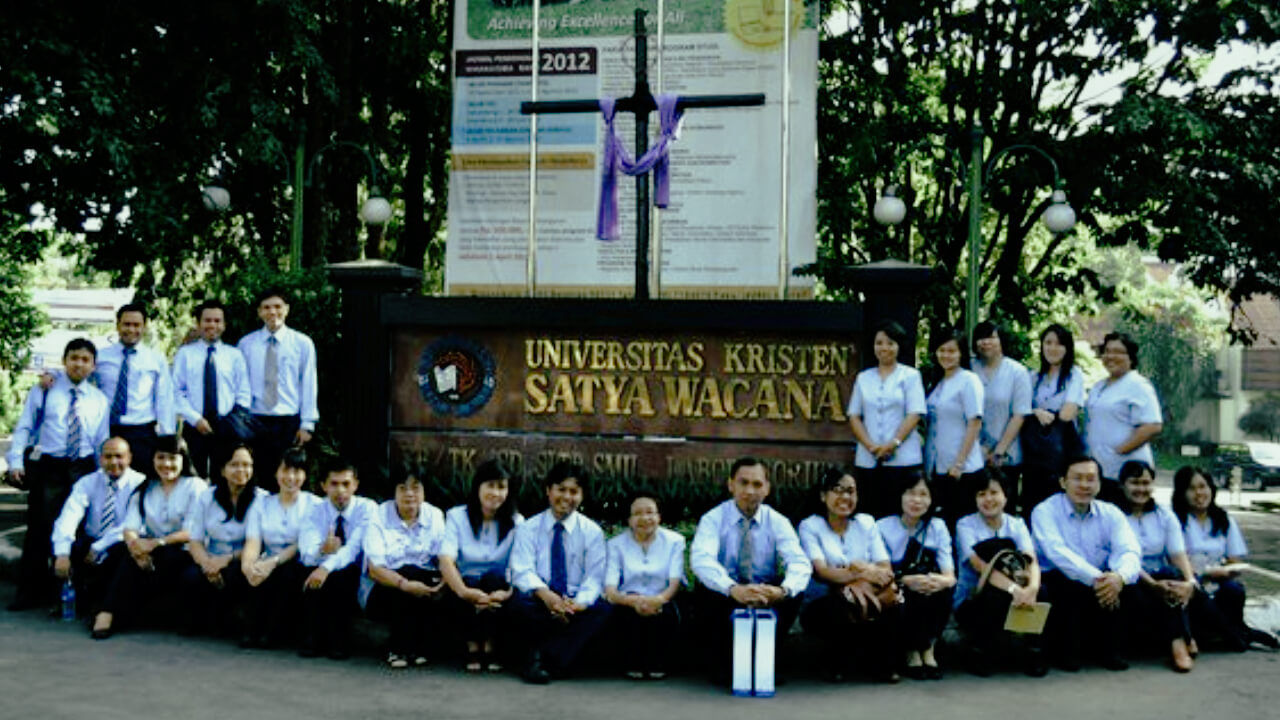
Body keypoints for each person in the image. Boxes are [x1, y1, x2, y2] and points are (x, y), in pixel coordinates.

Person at [5, 339, 109, 611]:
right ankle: (28, 591)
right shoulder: (45, 390)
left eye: (85, 360)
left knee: (76, 529)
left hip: (83, 467)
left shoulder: (98, 400)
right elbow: (25, 426)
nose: (79, 364)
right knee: (40, 528)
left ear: (93, 366)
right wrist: (16, 460)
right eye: (74, 358)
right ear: (64, 361)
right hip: (50, 466)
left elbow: (102, 440)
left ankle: (65, 591)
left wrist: (104, 474)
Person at [689, 457, 811, 684]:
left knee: (795, 592)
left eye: (757, 484)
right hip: (728, 590)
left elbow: (800, 562)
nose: (749, 491)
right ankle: (723, 663)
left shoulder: (778, 521)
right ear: (730, 485)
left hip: (766, 591)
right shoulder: (713, 519)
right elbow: (701, 560)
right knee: (706, 588)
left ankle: (767, 660)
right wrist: (733, 589)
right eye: (743, 483)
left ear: (767, 489)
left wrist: (782, 591)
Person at [1030, 454, 1141, 671]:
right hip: (1059, 578)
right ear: (1063, 482)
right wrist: (1100, 580)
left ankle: (1110, 650)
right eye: (1077, 478)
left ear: (1099, 483)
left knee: (1131, 588)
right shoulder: (1045, 511)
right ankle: (1066, 652)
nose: (1084, 485)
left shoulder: (1111, 513)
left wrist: (1119, 577)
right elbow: (1057, 553)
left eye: (1091, 479)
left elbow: (1129, 550)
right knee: (1067, 587)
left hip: (1099, 582)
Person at [508, 461, 611, 684]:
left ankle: (541, 658)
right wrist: (546, 596)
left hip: (575, 602)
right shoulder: (529, 528)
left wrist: (579, 603)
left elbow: (595, 577)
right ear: (548, 490)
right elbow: (522, 570)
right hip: (540, 598)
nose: (566, 497)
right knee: (519, 602)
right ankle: (560, 660)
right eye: (561, 489)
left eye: (573, 491)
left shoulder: (592, 532)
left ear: (582, 495)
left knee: (603, 609)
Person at [796, 467, 901, 684]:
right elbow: (823, 572)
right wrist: (863, 571)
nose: (845, 497)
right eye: (837, 490)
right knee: (840, 605)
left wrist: (861, 574)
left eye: (851, 491)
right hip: (822, 599)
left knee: (897, 599)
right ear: (823, 496)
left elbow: (885, 568)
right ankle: (836, 663)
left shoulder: (866, 523)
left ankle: (883, 665)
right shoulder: (810, 526)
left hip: (867, 594)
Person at [103, 435, 207, 638]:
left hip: (184, 550)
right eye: (160, 457)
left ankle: (107, 613)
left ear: (183, 459)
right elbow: (130, 527)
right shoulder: (146, 487)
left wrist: (155, 543)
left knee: (162, 556)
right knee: (118, 552)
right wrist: (135, 547)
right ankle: (112, 612)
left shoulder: (195, 486)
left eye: (172, 458)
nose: (166, 464)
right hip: (150, 549)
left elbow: (192, 531)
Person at [1172, 466, 1280, 651]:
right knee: (1197, 593)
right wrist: (1204, 574)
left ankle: (1233, 634)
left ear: (1211, 489)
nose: (1199, 493)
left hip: (1219, 582)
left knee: (1234, 590)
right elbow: (1176, 559)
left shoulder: (1223, 519)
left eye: (1203, 486)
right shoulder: (1175, 521)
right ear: (1182, 492)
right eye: (1192, 488)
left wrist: (1226, 571)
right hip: (1191, 583)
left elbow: (1235, 560)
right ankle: (1240, 636)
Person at [953, 471, 1046, 677]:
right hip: (974, 595)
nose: (988, 499)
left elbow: (1031, 560)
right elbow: (980, 567)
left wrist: (1032, 588)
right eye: (981, 494)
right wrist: (1015, 590)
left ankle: (1033, 652)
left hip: (1015, 591)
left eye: (994, 492)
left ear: (1006, 495)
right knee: (994, 595)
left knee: (1043, 591)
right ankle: (980, 652)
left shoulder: (1017, 524)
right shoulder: (965, 525)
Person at [50, 437, 145, 638]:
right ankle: (71, 599)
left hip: (120, 541)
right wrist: (62, 553)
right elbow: (69, 516)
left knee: (122, 553)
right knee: (63, 547)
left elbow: (131, 524)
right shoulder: (88, 482)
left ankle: (104, 609)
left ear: (129, 458)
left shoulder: (140, 483)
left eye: (119, 456)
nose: (113, 462)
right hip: (92, 538)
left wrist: (100, 547)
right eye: (108, 456)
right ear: (100, 459)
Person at [440, 459, 523, 673]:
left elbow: (519, 563)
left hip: (498, 586)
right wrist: (464, 591)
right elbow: (446, 559)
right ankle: (472, 646)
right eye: (490, 485)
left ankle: (491, 645)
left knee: (494, 579)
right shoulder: (457, 516)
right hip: (464, 585)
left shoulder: (517, 522)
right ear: (478, 486)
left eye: (501, 487)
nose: (496, 493)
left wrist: (507, 592)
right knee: (466, 582)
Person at [361, 473, 448, 668]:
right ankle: (402, 647)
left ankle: (409, 647)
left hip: (424, 588)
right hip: (384, 588)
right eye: (402, 488)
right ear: (394, 493)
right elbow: (374, 569)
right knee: (407, 574)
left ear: (424, 492)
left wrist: (443, 584)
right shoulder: (378, 515)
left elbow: (444, 558)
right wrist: (405, 584)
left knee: (420, 575)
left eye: (415, 488)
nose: (409, 494)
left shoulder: (434, 515)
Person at [1116, 461, 1197, 671]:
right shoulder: (1114, 516)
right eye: (1134, 483)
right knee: (1151, 586)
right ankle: (1182, 641)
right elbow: (1122, 558)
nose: (1141, 489)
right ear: (1122, 484)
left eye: (1146, 483)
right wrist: (1152, 584)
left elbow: (1177, 554)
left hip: (1164, 578)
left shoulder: (1164, 515)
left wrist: (1189, 582)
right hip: (1132, 577)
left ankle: (1178, 642)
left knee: (1173, 575)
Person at [181, 445, 266, 639]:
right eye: (234, 465)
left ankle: (231, 622)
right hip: (211, 558)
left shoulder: (262, 499)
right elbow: (195, 540)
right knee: (190, 576)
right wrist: (207, 564)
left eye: (247, 465)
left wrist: (225, 560)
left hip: (243, 558)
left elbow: (258, 543)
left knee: (236, 574)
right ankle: (199, 622)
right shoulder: (207, 497)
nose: (241, 470)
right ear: (222, 470)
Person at [238, 288, 318, 492]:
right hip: (255, 420)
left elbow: (308, 383)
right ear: (259, 312)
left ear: (287, 310)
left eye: (277, 307)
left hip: (288, 421)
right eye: (266, 308)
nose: (272, 312)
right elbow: (241, 384)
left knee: (289, 476)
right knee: (258, 478)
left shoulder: (302, 343)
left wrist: (307, 423)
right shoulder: (246, 344)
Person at [876, 473, 955, 679]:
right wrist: (904, 580)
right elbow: (880, 571)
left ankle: (928, 649)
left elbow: (950, 574)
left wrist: (938, 581)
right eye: (910, 493)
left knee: (940, 591)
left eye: (923, 495)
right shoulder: (882, 527)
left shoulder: (938, 526)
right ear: (900, 496)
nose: (916, 500)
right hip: (896, 584)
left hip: (928, 583)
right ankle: (912, 650)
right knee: (909, 593)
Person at [239, 446, 320, 649]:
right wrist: (248, 567)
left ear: (305, 474)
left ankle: (272, 632)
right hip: (268, 558)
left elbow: (301, 543)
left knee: (285, 573)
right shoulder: (262, 503)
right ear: (276, 472)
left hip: (297, 560)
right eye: (285, 470)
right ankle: (252, 630)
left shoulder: (314, 505)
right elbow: (253, 541)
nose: (291, 477)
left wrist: (272, 563)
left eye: (297, 471)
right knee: (255, 571)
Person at [297, 459, 377, 659]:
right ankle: (312, 638)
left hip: (355, 568)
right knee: (309, 573)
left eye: (346, 484)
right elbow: (307, 553)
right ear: (323, 485)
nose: (340, 490)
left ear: (356, 485)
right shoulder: (315, 510)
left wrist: (326, 567)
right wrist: (322, 550)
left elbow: (354, 548)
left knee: (341, 576)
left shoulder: (367, 509)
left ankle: (338, 641)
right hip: (320, 564)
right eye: (334, 484)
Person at [847, 320, 927, 518]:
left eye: (890, 343)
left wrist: (893, 444)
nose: (884, 348)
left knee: (900, 514)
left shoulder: (910, 376)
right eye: (879, 343)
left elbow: (915, 413)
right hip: (869, 458)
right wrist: (871, 446)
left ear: (899, 346)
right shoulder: (864, 378)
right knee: (870, 514)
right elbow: (854, 416)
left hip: (903, 459)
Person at [604, 487, 686, 680]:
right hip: (628, 599)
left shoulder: (675, 541)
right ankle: (632, 663)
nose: (644, 518)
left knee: (666, 614)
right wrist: (633, 601)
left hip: (663, 598)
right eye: (637, 514)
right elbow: (610, 588)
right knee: (625, 615)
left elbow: (675, 582)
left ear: (659, 516)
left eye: (650, 512)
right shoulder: (615, 545)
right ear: (629, 520)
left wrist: (658, 600)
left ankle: (658, 663)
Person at [172, 299, 253, 479]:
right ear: (198, 323)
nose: (212, 325)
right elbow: (176, 391)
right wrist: (195, 419)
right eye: (207, 320)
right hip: (195, 426)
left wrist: (231, 420)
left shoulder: (234, 355)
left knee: (225, 478)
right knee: (193, 478)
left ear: (224, 325)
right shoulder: (185, 354)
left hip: (227, 426)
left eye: (217, 321)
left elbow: (243, 392)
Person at [94, 303, 176, 473]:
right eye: (126, 324)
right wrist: (51, 376)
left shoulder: (155, 359)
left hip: (142, 432)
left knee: (141, 484)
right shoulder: (100, 357)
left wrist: (168, 438)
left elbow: (164, 399)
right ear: (117, 326)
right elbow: (78, 377)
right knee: (105, 481)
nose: (131, 330)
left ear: (144, 327)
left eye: (136, 325)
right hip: (107, 428)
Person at [1083, 332, 1162, 504]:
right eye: (1107, 351)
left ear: (1131, 357)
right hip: (1100, 472)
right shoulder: (1099, 386)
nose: (1111, 356)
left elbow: (1152, 426)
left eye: (1118, 352)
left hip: (1125, 473)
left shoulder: (1137, 385)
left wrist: (1119, 451)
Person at [924, 326, 985, 524]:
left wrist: (959, 463)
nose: (946, 355)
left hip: (962, 470)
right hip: (938, 467)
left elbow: (974, 423)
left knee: (961, 524)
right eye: (941, 350)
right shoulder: (938, 381)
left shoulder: (969, 380)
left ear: (961, 353)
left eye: (951, 351)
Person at [1022, 324, 1085, 514]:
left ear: (1067, 348)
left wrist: (1038, 411)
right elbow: (1021, 409)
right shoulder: (1034, 377)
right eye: (1048, 343)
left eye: (1059, 344)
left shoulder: (1074, 375)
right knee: (1032, 504)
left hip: (1061, 451)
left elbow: (1068, 412)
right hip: (1034, 454)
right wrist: (1036, 412)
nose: (1052, 348)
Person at [970, 321, 1031, 507]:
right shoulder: (969, 368)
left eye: (991, 337)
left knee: (1004, 510)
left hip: (1006, 457)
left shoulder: (1017, 372)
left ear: (1001, 340)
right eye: (981, 338)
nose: (985, 342)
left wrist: (998, 452)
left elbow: (1019, 414)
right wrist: (979, 448)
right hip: (973, 454)